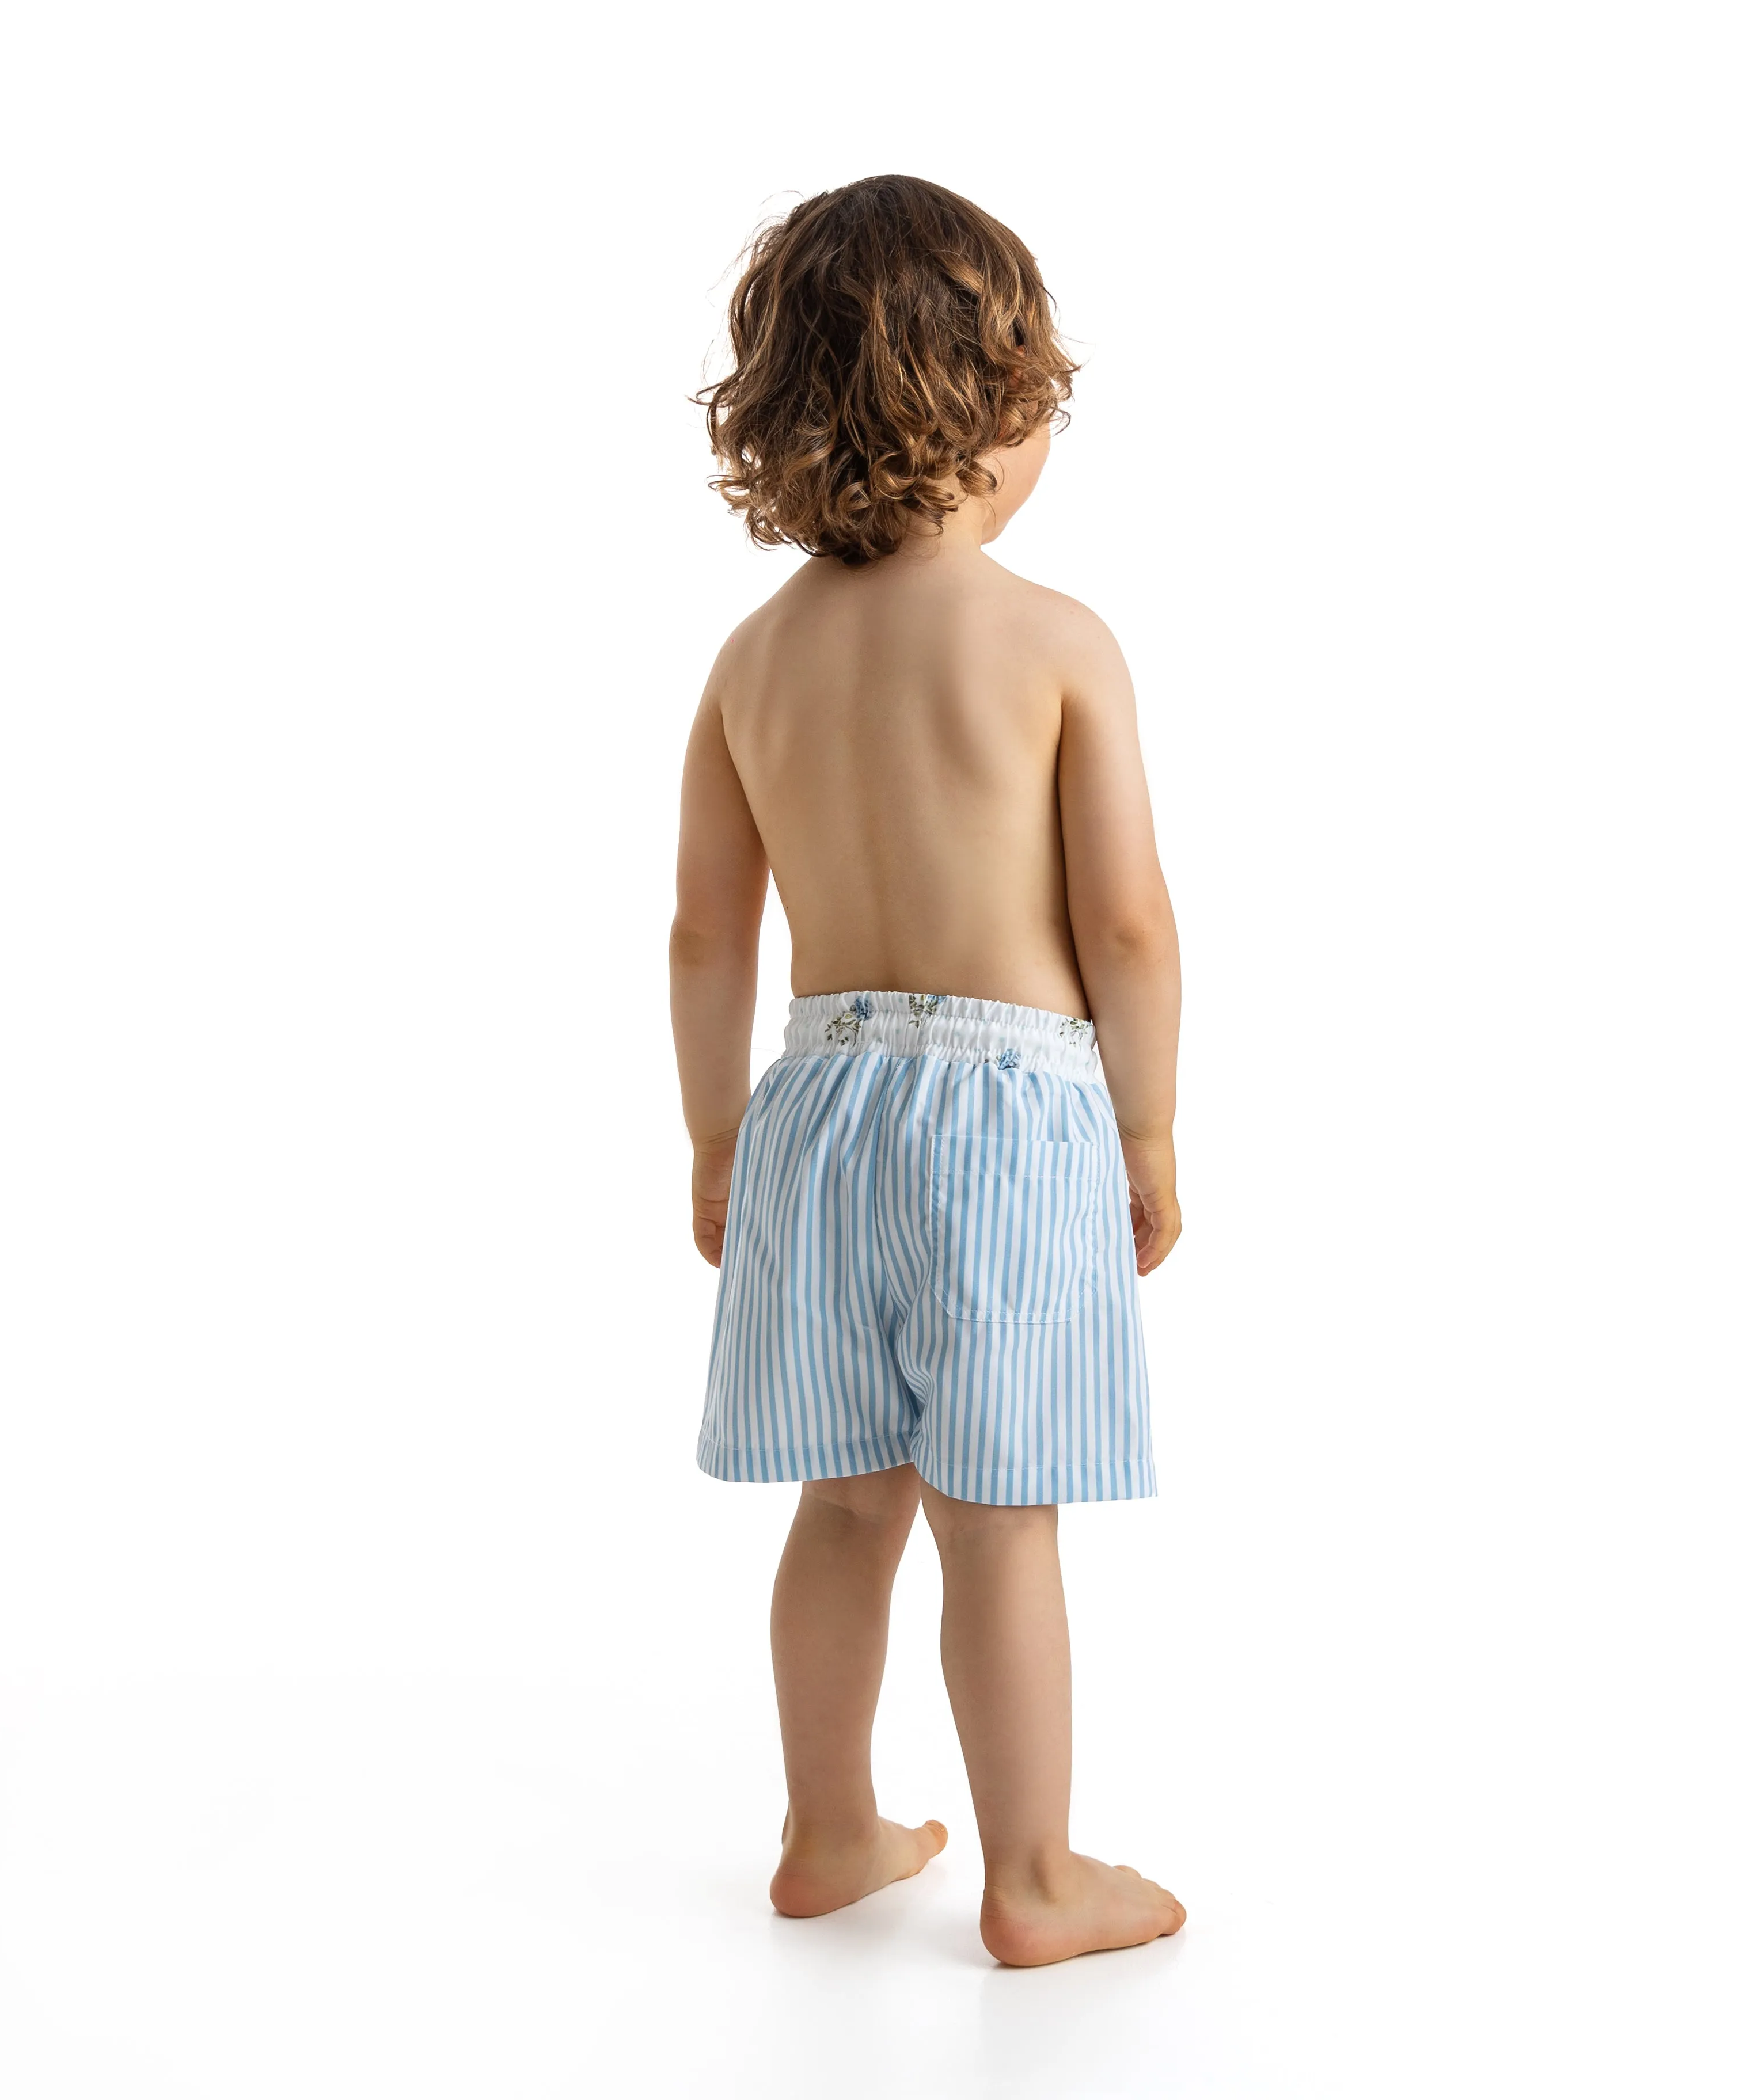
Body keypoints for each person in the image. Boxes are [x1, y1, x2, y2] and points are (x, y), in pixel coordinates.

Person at [670, 174, 1185, 1966]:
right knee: (1001, 1517)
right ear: (1006, 400)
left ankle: (827, 1833)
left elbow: (706, 938)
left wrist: (717, 1138)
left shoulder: (753, 663)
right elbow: (1123, 927)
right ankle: (1033, 1881)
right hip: (1014, 1107)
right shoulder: (1052, 642)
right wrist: (1146, 1125)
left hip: (817, 1102)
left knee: (846, 1498)